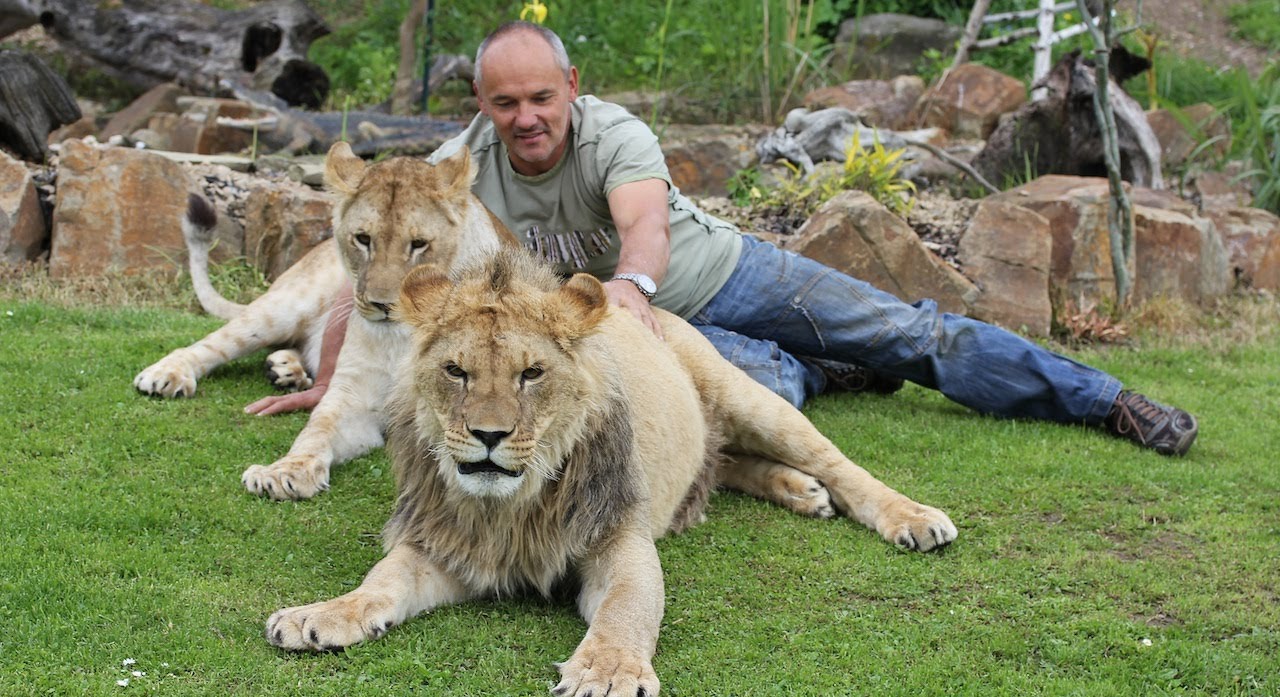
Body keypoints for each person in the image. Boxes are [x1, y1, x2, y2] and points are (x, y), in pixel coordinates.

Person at [248, 21, 1198, 456]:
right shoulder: (459, 170)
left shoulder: (615, 134)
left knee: (914, 338)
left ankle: (1106, 402)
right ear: (485, 105)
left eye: (542, 97)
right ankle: (818, 371)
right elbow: (374, 270)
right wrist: (336, 383)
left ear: (570, 88)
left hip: (720, 283)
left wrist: (633, 295)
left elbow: (644, 228)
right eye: (507, 102)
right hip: (658, 342)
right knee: (751, 396)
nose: (527, 117)